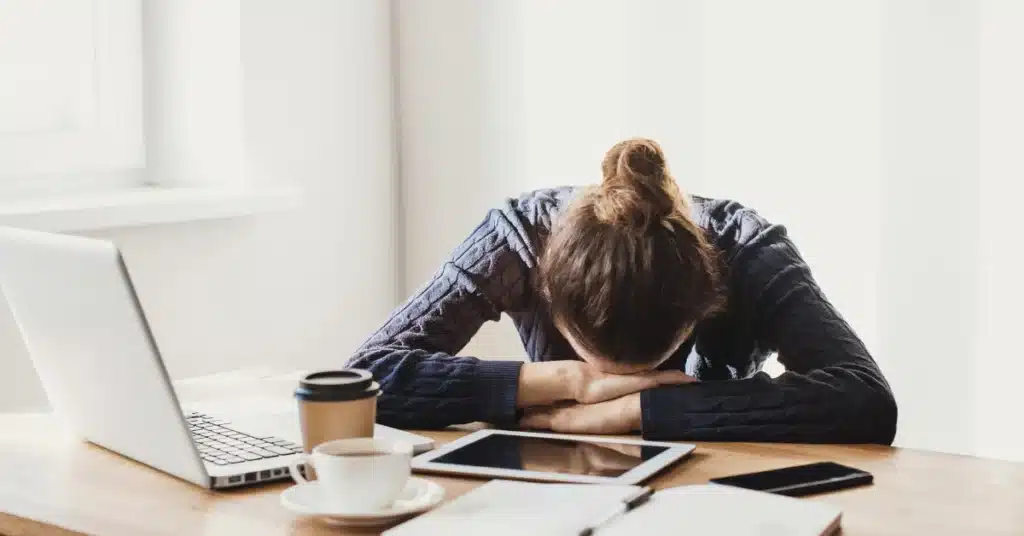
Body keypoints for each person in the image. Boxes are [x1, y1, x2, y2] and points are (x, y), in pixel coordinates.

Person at [348, 138, 897, 443]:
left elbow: (865, 398)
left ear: (708, 296)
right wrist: (569, 380)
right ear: (547, 287)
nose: (618, 382)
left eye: (641, 369)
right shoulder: (521, 237)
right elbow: (361, 379)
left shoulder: (746, 248)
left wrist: (643, 410)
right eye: (605, 367)